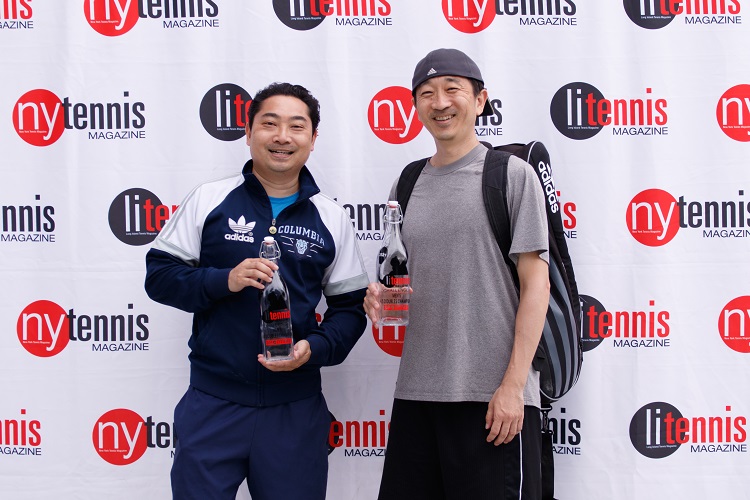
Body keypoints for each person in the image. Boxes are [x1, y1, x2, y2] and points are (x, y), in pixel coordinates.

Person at [145, 82, 369, 500]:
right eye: (270, 123)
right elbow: (159, 276)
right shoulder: (209, 199)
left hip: (295, 410)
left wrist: (313, 349)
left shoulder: (331, 217)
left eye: (296, 126)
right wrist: (223, 280)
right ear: (248, 132)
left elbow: (350, 310)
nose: (282, 136)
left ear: (313, 139)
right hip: (213, 403)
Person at [364, 48, 551, 499]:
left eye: (453, 89)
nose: (440, 102)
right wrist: (379, 296)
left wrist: (513, 386)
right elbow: (402, 277)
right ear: (415, 106)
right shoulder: (407, 182)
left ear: (480, 100)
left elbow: (536, 285)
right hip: (417, 393)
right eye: (426, 93)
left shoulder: (512, 176)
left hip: (492, 398)